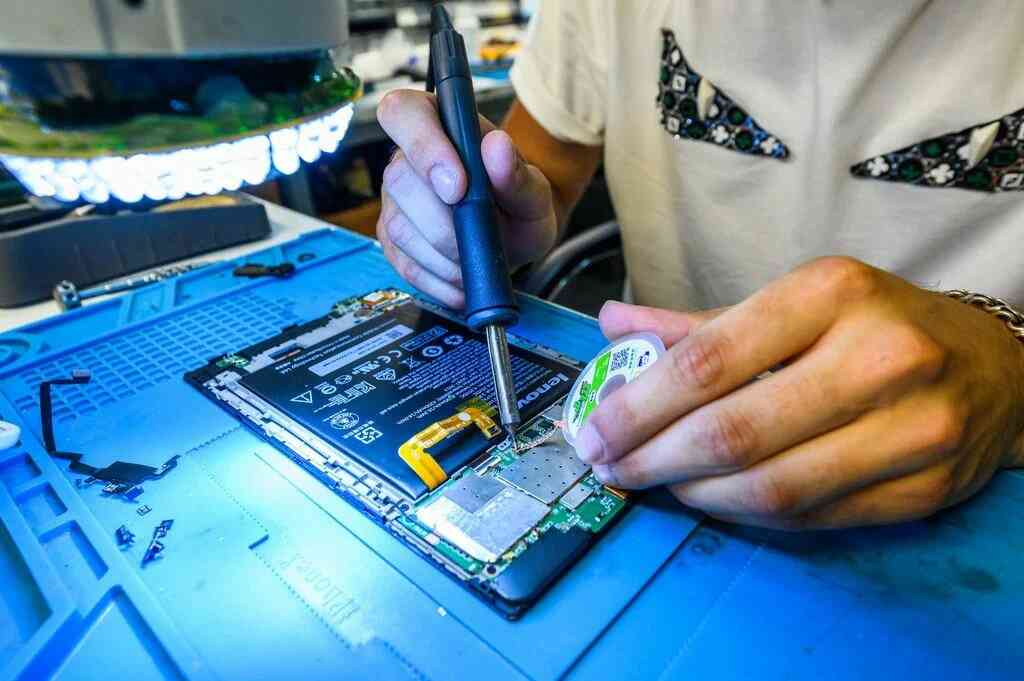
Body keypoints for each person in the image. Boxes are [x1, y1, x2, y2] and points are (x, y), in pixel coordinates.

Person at [374, 1, 1024, 530]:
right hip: (649, 455)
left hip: (968, 487)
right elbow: (538, 172)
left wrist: (1008, 376)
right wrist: (477, 221)